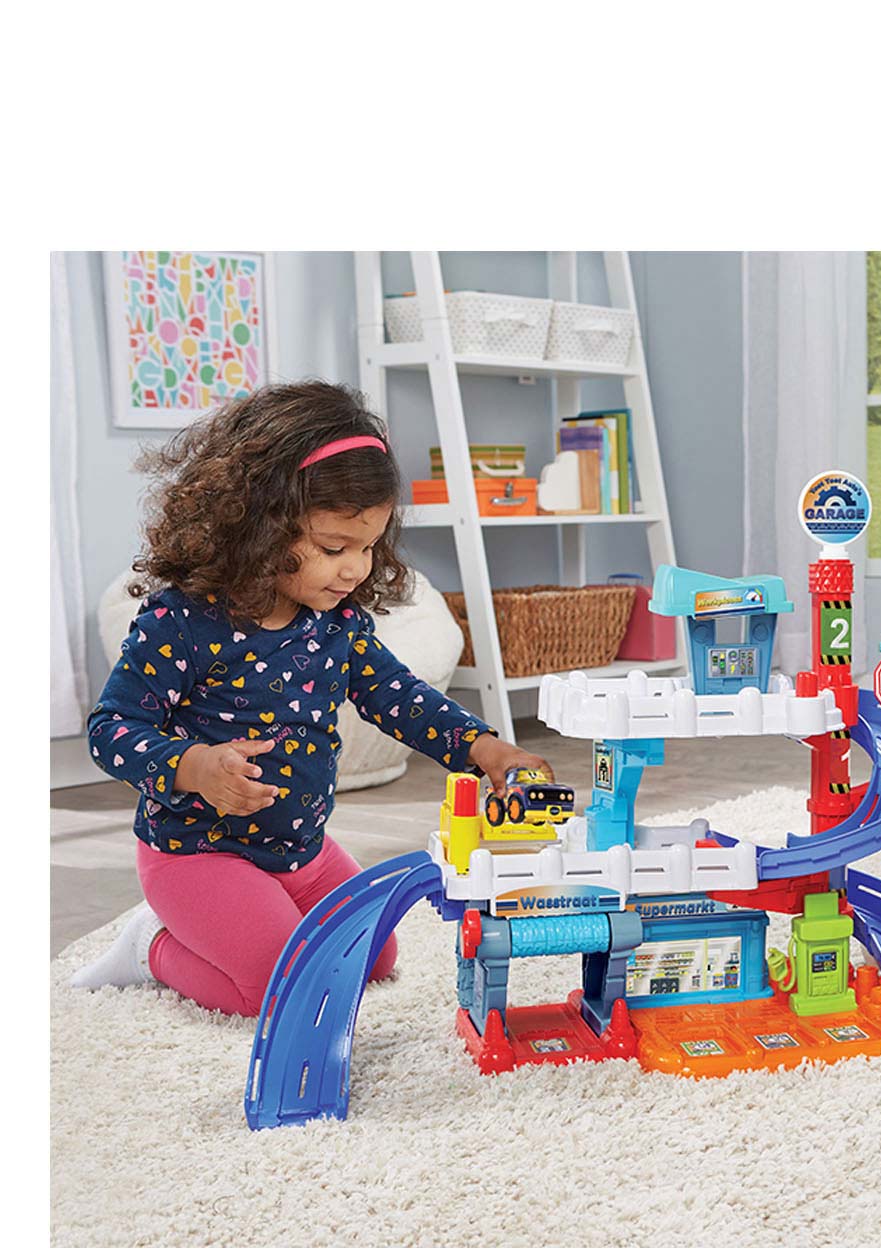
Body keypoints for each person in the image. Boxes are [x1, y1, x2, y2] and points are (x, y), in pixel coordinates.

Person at [72, 380, 551, 1016]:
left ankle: (247, 921)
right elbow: (111, 728)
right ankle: (151, 948)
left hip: (301, 849)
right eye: (333, 548)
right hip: (197, 853)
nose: (356, 568)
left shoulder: (335, 623)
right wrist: (193, 766)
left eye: (368, 547)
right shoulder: (181, 621)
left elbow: (399, 697)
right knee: (277, 989)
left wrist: (485, 749)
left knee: (376, 960)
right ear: (259, 526)